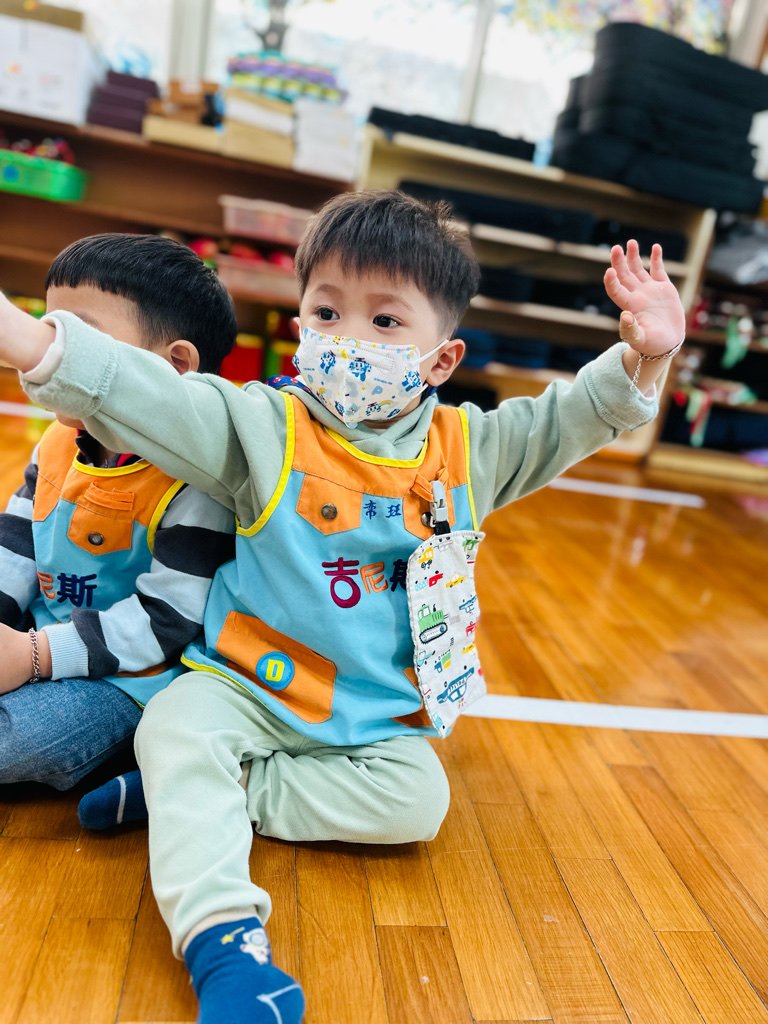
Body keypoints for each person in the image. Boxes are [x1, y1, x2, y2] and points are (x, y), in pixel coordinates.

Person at [0, 191, 686, 1024]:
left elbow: (569, 419)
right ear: (300, 325)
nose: (348, 337)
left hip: (371, 716)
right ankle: (224, 943)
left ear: (442, 359)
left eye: (385, 321)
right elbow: (153, 396)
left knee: (419, 806)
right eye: (326, 312)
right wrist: (28, 338)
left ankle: (208, 790)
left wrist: (646, 354)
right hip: (240, 684)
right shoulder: (262, 426)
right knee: (175, 727)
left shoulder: (472, 450)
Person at [0, 233, 236, 804]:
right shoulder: (56, 443)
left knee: (20, 741)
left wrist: (33, 656)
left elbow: (166, 622)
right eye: (50, 328)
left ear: (174, 366)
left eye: (78, 336)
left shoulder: (197, 483)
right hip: (38, 637)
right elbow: (17, 543)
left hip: (131, 675)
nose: (52, 351)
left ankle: (151, 763)